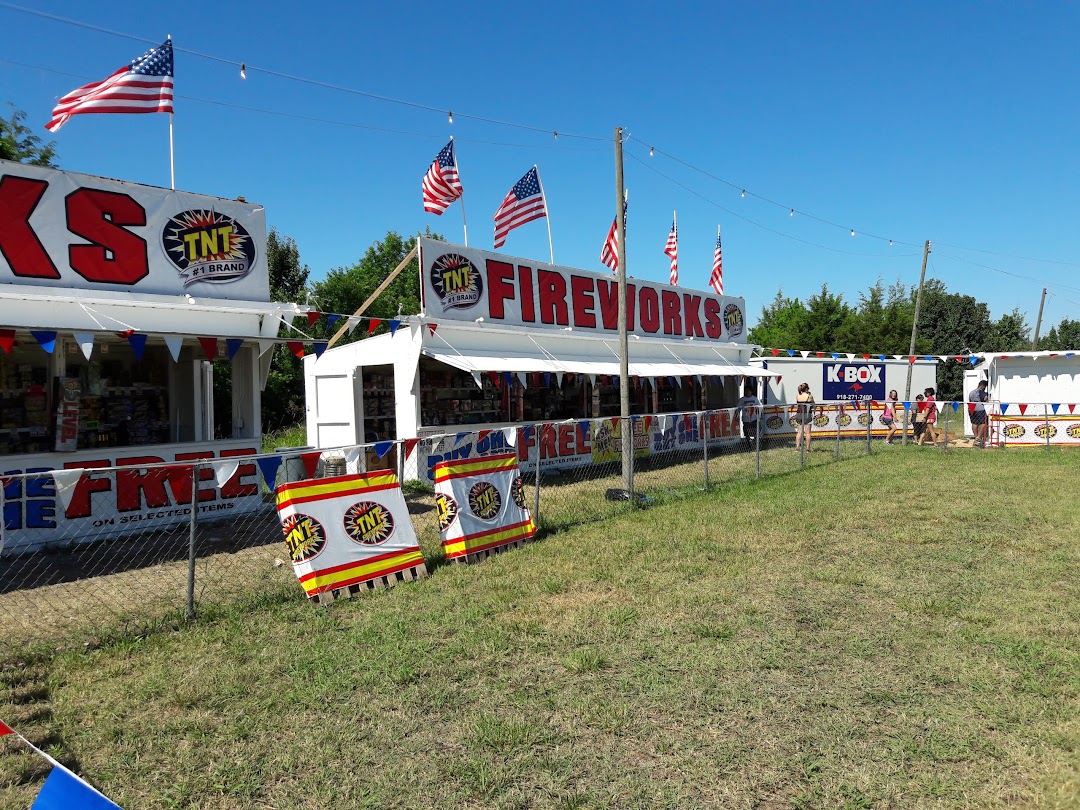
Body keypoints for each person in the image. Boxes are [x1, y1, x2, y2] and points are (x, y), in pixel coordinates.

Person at [736, 382, 762, 451]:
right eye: (745, 391)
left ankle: (756, 443)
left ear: (751, 391)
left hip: (754, 418)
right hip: (746, 419)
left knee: (757, 430)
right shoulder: (742, 399)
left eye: (748, 391)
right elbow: (738, 408)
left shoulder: (755, 399)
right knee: (746, 431)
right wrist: (737, 416)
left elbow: (759, 407)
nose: (747, 392)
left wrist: (759, 414)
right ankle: (748, 444)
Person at [794, 382, 817, 451]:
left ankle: (797, 448)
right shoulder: (809, 396)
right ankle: (808, 448)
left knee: (799, 432)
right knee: (808, 432)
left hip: (799, 414)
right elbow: (813, 405)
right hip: (807, 414)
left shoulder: (798, 396)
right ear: (806, 389)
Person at [969, 379, 989, 447]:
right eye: (985, 387)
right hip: (980, 409)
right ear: (983, 386)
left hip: (972, 409)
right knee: (983, 423)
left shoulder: (971, 392)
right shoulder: (981, 392)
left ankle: (975, 437)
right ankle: (979, 437)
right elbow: (986, 399)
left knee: (974, 423)